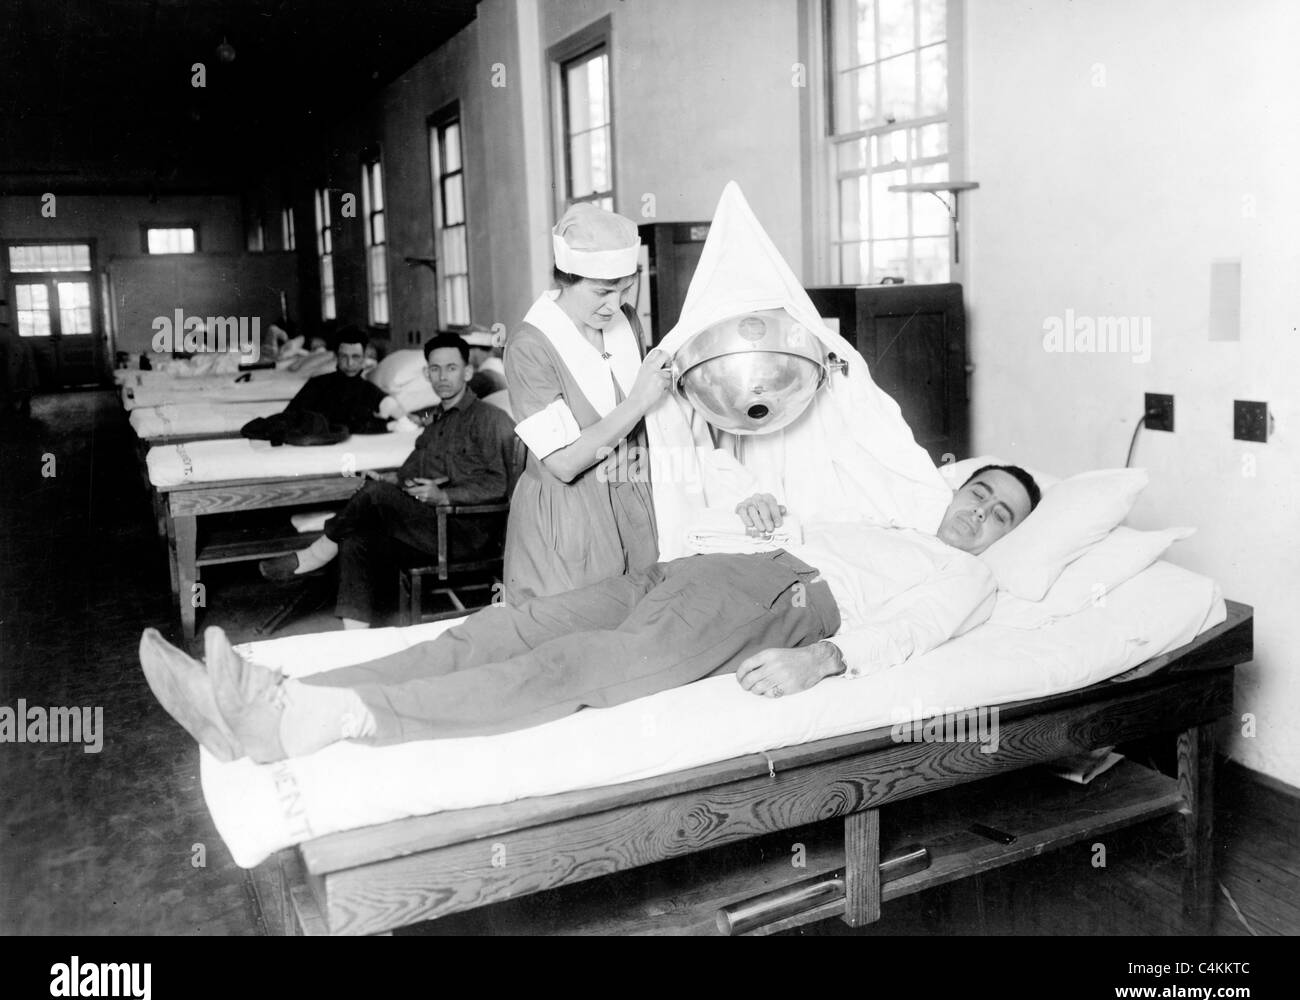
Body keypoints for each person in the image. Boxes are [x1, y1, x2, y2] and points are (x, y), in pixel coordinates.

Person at [140, 465, 1039, 763]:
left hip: (775, 603)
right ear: (957, 486)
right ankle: (265, 692)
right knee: (501, 627)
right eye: (979, 493)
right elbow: (794, 528)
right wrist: (770, 511)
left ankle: (321, 723)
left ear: (1007, 539)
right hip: (708, 567)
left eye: (1002, 516)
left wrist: (825, 662)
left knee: (572, 670)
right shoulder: (892, 521)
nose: (980, 514)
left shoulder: (968, 579)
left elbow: (906, 632)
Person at [259, 334, 519, 629]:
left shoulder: (490, 419)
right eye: (435, 369)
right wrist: (390, 478)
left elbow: (499, 485)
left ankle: (314, 555)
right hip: (427, 526)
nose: (442, 376)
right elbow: (411, 471)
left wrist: (445, 496)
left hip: (463, 534)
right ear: (426, 374)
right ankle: (356, 641)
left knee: (376, 495)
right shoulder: (437, 422)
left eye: (451, 368)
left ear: (468, 372)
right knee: (355, 540)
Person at [503, 202, 672, 604]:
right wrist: (637, 402)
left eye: (624, 290)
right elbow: (563, 462)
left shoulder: (627, 322)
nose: (613, 305)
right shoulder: (530, 346)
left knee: (640, 633)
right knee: (571, 641)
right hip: (568, 522)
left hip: (634, 509)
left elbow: (649, 425)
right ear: (566, 279)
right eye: (601, 292)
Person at [282, 325, 390, 434]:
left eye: (356, 357)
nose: (350, 363)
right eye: (344, 356)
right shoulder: (317, 384)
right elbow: (287, 416)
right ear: (336, 356)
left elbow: (396, 418)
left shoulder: (371, 391)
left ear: (363, 358)